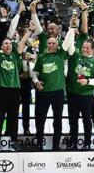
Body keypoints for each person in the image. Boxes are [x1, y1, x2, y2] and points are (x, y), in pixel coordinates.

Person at [0, 17, 31, 152]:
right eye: (5, 44)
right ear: (1, 47)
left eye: (10, 44)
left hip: (15, 91)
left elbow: (22, 42)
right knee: (0, 118)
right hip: (2, 91)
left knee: (13, 118)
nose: (8, 45)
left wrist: (30, 30)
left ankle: (14, 141)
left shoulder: (15, 56)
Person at [32, 23, 75, 151]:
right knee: (41, 120)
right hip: (43, 92)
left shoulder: (61, 54)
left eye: (53, 43)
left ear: (57, 45)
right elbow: (35, 73)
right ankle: (39, 144)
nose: (51, 45)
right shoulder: (41, 57)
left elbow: (67, 41)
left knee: (58, 120)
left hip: (58, 93)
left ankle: (56, 145)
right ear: (46, 44)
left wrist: (71, 27)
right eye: (49, 43)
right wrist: (36, 81)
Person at [66, 39, 94, 151]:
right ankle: (73, 142)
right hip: (72, 94)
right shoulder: (76, 56)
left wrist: (88, 81)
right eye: (83, 47)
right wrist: (72, 29)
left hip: (86, 95)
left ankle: (87, 143)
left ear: (92, 49)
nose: (84, 49)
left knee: (86, 120)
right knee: (72, 120)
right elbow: (70, 46)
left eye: (87, 48)